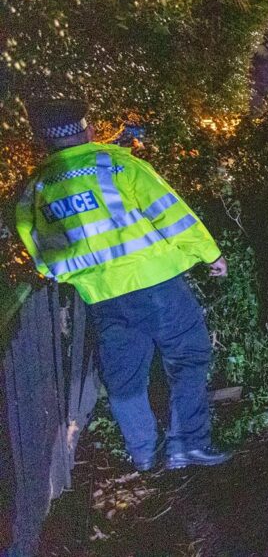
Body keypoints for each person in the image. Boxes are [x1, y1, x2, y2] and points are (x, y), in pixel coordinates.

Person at [14, 98, 231, 472]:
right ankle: (187, 445)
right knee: (187, 356)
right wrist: (209, 253)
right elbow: (170, 212)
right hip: (156, 284)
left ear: (45, 142)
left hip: (103, 297)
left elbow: (39, 251)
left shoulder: (36, 190)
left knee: (125, 377)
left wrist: (76, 276)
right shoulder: (115, 165)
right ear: (88, 130)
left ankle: (145, 454)